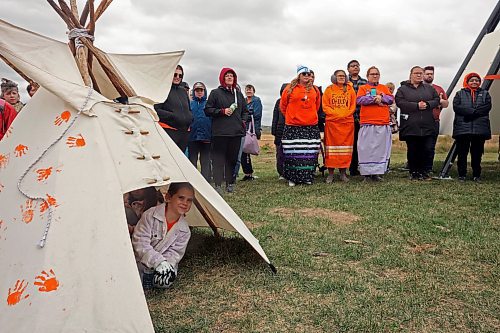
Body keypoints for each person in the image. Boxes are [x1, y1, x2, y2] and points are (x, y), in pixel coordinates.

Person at [132, 182, 194, 289]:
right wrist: (157, 262)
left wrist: (165, 265)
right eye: (181, 198)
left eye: (189, 200)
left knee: (164, 281)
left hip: (163, 265)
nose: (185, 203)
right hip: (140, 262)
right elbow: (140, 243)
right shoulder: (150, 215)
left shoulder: (185, 231)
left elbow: (174, 253)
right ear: (168, 197)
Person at [205, 68, 248, 194]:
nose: (229, 78)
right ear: (222, 78)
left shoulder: (238, 94)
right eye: (227, 76)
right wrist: (222, 111)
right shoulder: (215, 93)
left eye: (232, 76)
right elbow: (207, 110)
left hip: (235, 133)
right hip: (220, 133)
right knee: (218, 160)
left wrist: (242, 121)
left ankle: (230, 183)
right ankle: (218, 184)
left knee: (232, 160)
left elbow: (245, 111)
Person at [396, 66, 440, 180]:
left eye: (421, 73)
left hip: (427, 124)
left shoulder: (429, 89)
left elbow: (436, 100)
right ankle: (414, 172)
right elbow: (400, 102)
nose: (419, 75)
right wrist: (416, 106)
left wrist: (428, 104)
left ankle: (424, 172)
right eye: (416, 73)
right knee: (413, 149)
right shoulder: (402, 89)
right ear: (411, 74)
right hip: (411, 125)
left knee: (426, 149)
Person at [280, 65, 321, 186]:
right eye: (304, 74)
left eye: (309, 74)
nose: (307, 76)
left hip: (310, 126)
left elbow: (317, 106)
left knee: (309, 153)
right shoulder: (289, 88)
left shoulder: (315, 90)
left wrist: (310, 116)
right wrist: (292, 116)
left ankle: (307, 177)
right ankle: (293, 178)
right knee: (293, 153)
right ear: (299, 75)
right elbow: (283, 106)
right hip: (293, 126)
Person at [356, 66, 394, 181]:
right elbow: (359, 100)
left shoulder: (384, 88)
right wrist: (373, 99)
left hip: (382, 123)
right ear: (367, 76)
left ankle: (376, 173)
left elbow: (391, 99)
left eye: (377, 74)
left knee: (379, 150)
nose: (375, 76)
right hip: (368, 123)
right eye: (372, 74)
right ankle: (366, 174)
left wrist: (381, 97)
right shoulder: (363, 88)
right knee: (366, 149)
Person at [452, 73, 492, 181]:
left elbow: (487, 107)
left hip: (479, 129)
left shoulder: (485, 94)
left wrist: (471, 114)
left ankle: (476, 175)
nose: (474, 82)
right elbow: (457, 107)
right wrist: (473, 112)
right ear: (467, 81)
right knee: (462, 153)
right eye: (472, 80)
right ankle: (462, 175)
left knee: (477, 153)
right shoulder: (459, 94)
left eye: (477, 80)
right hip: (462, 129)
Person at [322, 70, 356, 183]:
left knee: (345, 150)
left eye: (343, 76)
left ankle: (343, 173)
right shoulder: (328, 89)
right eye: (339, 76)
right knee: (331, 150)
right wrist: (337, 114)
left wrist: (344, 115)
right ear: (334, 77)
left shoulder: (350, 89)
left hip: (347, 124)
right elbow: (325, 106)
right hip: (332, 124)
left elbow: (352, 106)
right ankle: (330, 174)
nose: (341, 77)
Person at [154, 65, 193, 152]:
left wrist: (190, 117)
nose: (177, 77)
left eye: (180, 75)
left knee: (180, 162)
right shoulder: (162, 89)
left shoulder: (183, 91)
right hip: (169, 130)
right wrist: (173, 116)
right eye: (175, 74)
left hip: (184, 132)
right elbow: (156, 110)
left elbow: (189, 109)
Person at [423, 66, 449, 174]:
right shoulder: (418, 88)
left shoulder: (439, 89)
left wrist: (440, 100)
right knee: (419, 145)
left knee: (430, 146)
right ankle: (416, 168)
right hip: (421, 121)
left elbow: (446, 104)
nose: (430, 75)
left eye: (431, 74)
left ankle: (428, 168)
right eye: (427, 73)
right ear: (423, 75)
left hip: (434, 120)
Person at [347, 60, 368, 176]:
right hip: (348, 118)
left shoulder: (365, 83)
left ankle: (361, 166)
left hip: (362, 117)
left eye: (357, 66)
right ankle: (351, 167)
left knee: (361, 144)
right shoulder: (345, 82)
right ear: (348, 69)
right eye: (352, 66)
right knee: (351, 143)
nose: (355, 67)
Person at [188, 82, 212, 182]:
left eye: (201, 90)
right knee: (192, 160)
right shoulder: (189, 104)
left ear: (204, 91)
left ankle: (205, 181)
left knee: (205, 161)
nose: (199, 92)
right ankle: (193, 181)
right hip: (192, 137)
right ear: (194, 92)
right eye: (197, 90)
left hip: (206, 137)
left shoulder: (209, 104)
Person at [240, 84, 262, 181]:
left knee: (247, 149)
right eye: (247, 90)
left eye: (250, 90)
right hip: (243, 127)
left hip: (251, 128)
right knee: (243, 151)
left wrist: (246, 116)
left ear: (254, 91)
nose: (248, 91)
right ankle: (247, 172)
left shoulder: (256, 100)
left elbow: (257, 114)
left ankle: (249, 173)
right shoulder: (243, 101)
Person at [271, 84, 287, 179]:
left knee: (289, 153)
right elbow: (275, 117)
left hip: (290, 129)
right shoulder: (278, 102)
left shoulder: (292, 101)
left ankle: (289, 171)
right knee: (279, 152)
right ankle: (281, 172)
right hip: (279, 130)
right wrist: (274, 131)